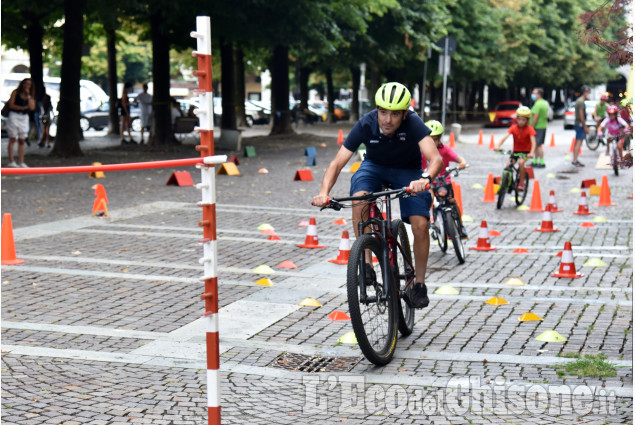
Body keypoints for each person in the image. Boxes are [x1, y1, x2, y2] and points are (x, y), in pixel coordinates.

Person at [313, 82, 443, 309]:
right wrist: (324, 193)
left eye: (395, 114)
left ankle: (419, 284)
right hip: (374, 167)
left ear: (404, 113)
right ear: (377, 109)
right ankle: (366, 264)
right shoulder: (366, 123)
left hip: (409, 173)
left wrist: (425, 179)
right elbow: (336, 163)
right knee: (359, 199)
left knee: (420, 224)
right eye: (383, 112)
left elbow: (436, 159)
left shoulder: (413, 123)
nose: (387, 120)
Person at [423, 120, 469, 238]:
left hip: (443, 180)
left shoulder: (445, 150)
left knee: (452, 201)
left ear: (440, 138)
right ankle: (428, 221)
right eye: (430, 139)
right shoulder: (422, 151)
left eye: (436, 139)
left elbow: (458, 158)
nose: (433, 142)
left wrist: (462, 163)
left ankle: (460, 225)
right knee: (430, 198)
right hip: (428, 181)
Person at [494, 106, 536, 191]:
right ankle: (506, 182)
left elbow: (533, 143)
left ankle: (521, 183)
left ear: (527, 120)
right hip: (516, 151)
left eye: (523, 120)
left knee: (521, 163)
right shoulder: (513, 128)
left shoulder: (529, 129)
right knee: (508, 166)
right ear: (516, 119)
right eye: (519, 119)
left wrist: (531, 153)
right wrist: (498, 146)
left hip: (526, 152)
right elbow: (504, 137)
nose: (521, 122)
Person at [6, 78, 36, 167]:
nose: (26, 86)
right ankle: (11, 161)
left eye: (29, 85)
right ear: (22, 84)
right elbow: (11, 105)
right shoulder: (16, 92)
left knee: (22, 139)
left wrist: (28, 96)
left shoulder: (30, 95)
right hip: (14, 115)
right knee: (13, 137)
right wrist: (22, 108)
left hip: (24, 117)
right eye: (25, 84)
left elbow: (32, 107)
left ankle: (21, 161)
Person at [572, 85, 591, 167]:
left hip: (578, 124)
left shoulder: (579, 101)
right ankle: (575, 161)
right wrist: (585, 126)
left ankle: (575, 160)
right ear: (586, 92)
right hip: (580, 125)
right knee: (578, 142)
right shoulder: (581, 101)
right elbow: (581, 115)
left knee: (577, 142)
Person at [530, 88, 549, 168]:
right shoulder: (544, 103)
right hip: (543, 126)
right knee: (537, 145)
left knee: (538, 145)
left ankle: (541, 162)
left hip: (537, 127)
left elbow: (535, 116)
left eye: (534, 93)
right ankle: (535, 160)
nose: (533, 95)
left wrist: (531, 127)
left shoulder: (538, 104)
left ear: (539, 94)